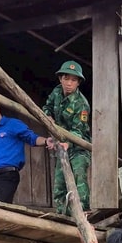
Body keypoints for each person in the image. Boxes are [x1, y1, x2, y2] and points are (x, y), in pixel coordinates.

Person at [0, 97, 48, 203]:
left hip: (8, 175)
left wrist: (46, 141)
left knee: (1, 209)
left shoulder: (13, 124)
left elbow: (32, 138)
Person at [43, 60, 92, 215]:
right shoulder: (56, 92)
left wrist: (67, 144)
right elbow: (47, 107)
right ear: (60, 79)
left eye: (73, 80)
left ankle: (82, 213)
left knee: (79, 179)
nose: (69, 83)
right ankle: (61, 214)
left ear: (78, 83)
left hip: (78, 148)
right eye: (66, 79)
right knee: (59, 183)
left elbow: (79, 130)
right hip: (60, 143)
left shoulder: (81, 104)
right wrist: (47, 117)